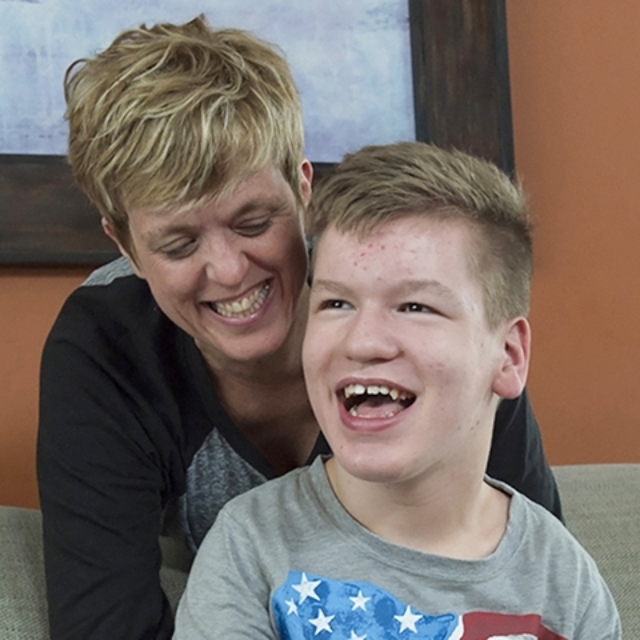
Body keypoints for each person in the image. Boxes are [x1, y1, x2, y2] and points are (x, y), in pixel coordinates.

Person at [37, 15, 561, 640]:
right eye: (178, 244)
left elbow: (533, 571)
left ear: (303, 188)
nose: (229, 271)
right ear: (122, 241)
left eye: (254, 222)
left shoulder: (425, 320)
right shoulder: (106, 346)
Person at [173, 142, 621, 640]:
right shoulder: (250, 546)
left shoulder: (564, 582)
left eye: (414, 307)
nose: (363, 342)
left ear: (509, 357)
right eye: (337, 302)